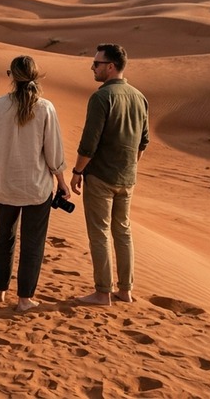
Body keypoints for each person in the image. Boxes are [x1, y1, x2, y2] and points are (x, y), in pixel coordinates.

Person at [0, 55, 70, 312]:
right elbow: (53, 152)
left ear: (11, 76)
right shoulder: (45, 108)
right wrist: (61, 181)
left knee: (4, 238)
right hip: (36, 187)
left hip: (5, 184)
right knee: (33, 243)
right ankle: (24, 299)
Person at [70, 43, 149, 306]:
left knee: (100, 234)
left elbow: (89, 142)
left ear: (111, 66)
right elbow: (143, 142)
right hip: (127, 178)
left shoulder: (102, 97)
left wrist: (77, 171)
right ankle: (125, 290)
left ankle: (103, 292)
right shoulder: (139, 97)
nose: (93, 67)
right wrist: (128, 165)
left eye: (97, 64)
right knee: (123, 232)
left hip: (101, 178)